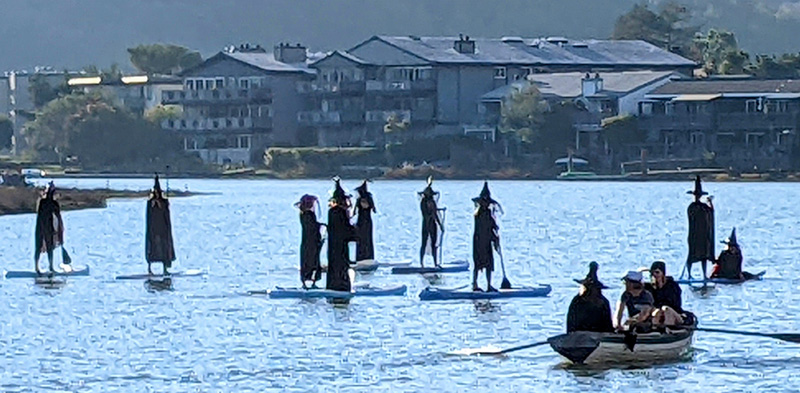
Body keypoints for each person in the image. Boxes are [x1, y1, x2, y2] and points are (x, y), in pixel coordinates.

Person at [326, 178, 358, 292]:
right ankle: (341, 287)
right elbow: (346, 231)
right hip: (341, 247)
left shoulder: (331, 212)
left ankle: (332, 286)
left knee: (333, 266)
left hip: (333, 246)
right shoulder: (341, 213)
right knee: (341, 267)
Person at [567, 261, 614, 333]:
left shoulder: (603, 303)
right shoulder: (577, 302)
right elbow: (571, 326)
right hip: (579, 337)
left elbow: (608, 326)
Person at [472, 181, 501, 292]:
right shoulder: (479, 214)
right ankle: (475, 284)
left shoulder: (489, 213)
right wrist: (494, 237)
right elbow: (486, 228)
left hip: (487, 242)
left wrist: (495, 235)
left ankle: (489, 285)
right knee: (478, 264)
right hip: (480, 241)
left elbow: (492, 227)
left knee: (489, 264)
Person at [34, 181, 68, 274]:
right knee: (44, 247)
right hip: (45, 226)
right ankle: (47, 267)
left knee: (44, 247)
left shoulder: (46, 202)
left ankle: (43, 267)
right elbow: (58, 217)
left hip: (44, 226)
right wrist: (59, 230)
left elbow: (57, 216)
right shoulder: (49, 203)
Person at [145, 174, 176, 275]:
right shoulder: (150, 203)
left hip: (162, 230)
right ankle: (149, 269)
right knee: (152, 249)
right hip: (153, 231)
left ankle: (165, 269)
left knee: (164, 249)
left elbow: (166, 213)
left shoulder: (164, 202)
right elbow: (149, 214)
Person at [686, 175, 714, 281]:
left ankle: (704, 275)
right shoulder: (692, 207)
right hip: (694, 235)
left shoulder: (704, 207)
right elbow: (691, 217)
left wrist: (710, 203)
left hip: (703, 236)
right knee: (692, 255)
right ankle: (689, 274)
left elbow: (711, 213)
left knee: (704, 256)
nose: (697, 197)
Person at [644, 260, 684, 327]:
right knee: (657, 312)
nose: (654, 275)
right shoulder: (649, 288)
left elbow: (676, 304)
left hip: (674, 314)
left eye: (657, 272)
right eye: (652, 273)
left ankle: (668, 328)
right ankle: (656, 329)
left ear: (663, 273)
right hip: (657, 314)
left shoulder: (672, 286)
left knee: (666, 309)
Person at [296, 194, 323, 289]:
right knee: (311, 261)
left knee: (309, 261)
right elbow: (312, 228)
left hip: (308, 242)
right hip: (311, 242)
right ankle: (309, 282)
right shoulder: (308, 215)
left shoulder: (304, 214)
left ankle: (307, 281)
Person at [418, 176, 443, 268]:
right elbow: (427, 213)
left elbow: (435, 214)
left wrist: (440, 225)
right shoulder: (423, 202)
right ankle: (421, 263)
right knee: (424, 243)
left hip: (432, 224)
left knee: (434, 243)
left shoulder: (432, 202)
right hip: (426, 224)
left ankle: (435, 262)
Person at [354, 180, 376, 263]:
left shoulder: (365, 199)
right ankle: (361, 257)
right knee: (361, 240)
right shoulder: (361, 200)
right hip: (361, 221)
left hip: (365, 221)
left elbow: (368, 208)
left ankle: (366, 256)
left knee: (366, 239)